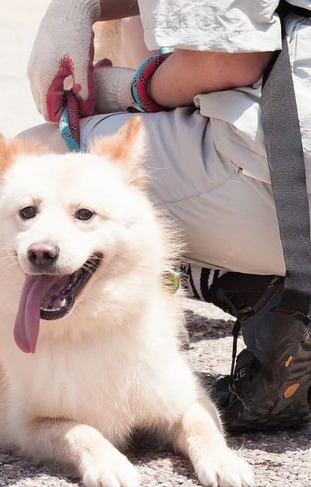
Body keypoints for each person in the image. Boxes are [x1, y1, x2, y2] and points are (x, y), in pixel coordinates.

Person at [24, 0, 311, 432]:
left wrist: (129, 90)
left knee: (40, 157)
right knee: (141, 28)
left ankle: (277, 303)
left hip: (290, 173)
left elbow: (226, 61)